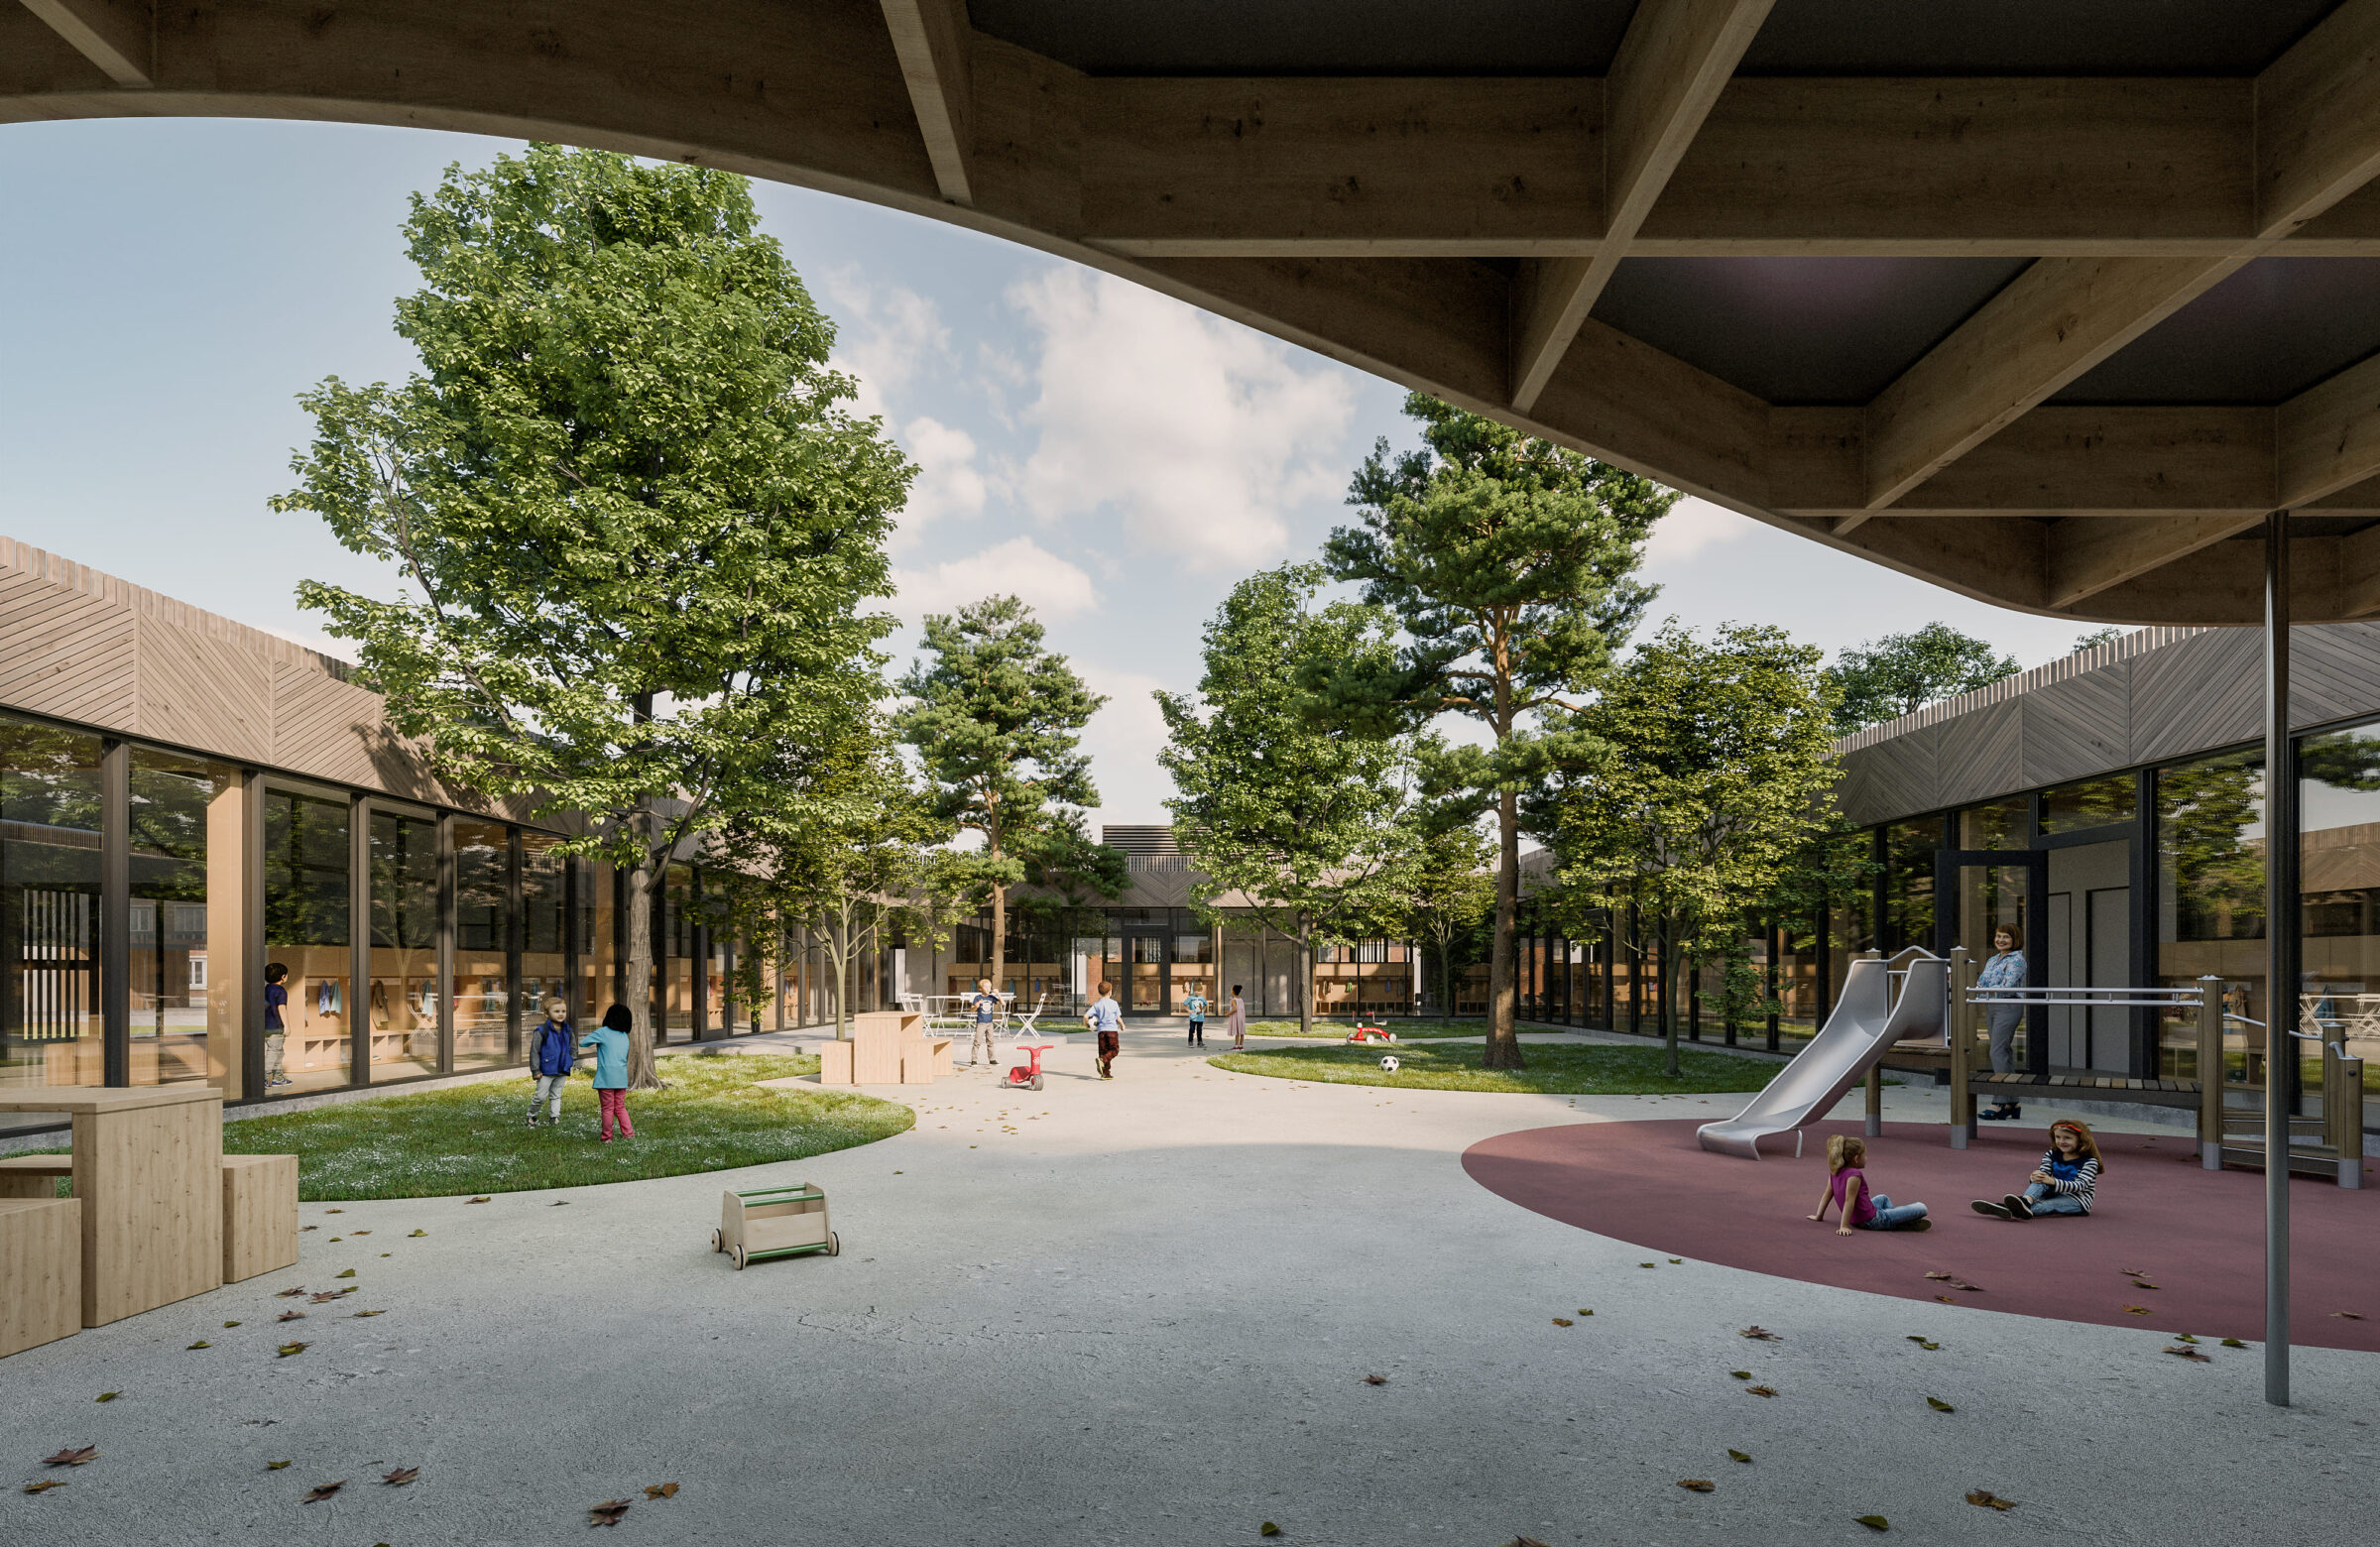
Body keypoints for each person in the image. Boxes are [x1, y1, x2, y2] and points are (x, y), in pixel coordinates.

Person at [1971, 1119, 2102, 1220]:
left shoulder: (2090, 1162)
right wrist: (2035, 1177)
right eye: (2058, 1137)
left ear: (2081, 1140)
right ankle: (2026, 1201)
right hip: (2056, 1191)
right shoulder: (2051, 1154)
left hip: (2077, 1200)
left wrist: (2052, 1181)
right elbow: (2044, 1173)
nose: (2061, 1141)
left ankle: (2008, 1209)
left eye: (2067, 1138)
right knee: (2040, 1178)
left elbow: (2080, 1186)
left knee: (2048, 1205)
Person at [1808, 1133, 1931, 1234]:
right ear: (1856, 1159)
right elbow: (1849, 1201)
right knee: (1921, 1208)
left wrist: (1819, 1215)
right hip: (1871, 1220)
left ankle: (1895, 1220)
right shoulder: (1854, 1175)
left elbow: (1827, 1194)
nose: (1866, 1158)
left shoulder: (1835, 1171)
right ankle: (1894, 1223)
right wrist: (1844, 1226)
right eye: (1865, 1155)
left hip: (1858, 1216)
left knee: (1883, 1198)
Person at [1975, 924, 2027, 1121]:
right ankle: (2013, 1102)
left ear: (2015, 940)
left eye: (2006, 937)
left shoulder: (2017, 960)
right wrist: (1982, 990)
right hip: (1992, 1006)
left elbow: (2007, 985)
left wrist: (1985, 990)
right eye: (1998, 936)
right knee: (2003, 1051)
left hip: (2008, 1005)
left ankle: (1999, 1101)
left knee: (1996, 1051)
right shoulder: (1992, 959)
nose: (2001, 940)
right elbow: (1980, 983)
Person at [580, 1004, 636, 1141]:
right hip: (621, 1079)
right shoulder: (624, 1036)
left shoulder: (603, 1032)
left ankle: (607, 1137)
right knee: (620, 1107)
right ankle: (628, 1134)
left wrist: (596, 1039)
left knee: (607, 1109)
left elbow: (583, 1043)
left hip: (606, 1079)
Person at [525, 998, 575, 1128]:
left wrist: (570, 1060)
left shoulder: (568, 1030)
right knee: (540, 1096)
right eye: (556, 1011)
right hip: (545, 1071)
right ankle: (531, 1115)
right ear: (547, 1013)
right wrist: (535, 1070)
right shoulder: (541, 1031)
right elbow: (534, 1051)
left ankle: (554, 1117)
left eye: (563, 1011)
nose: (561, 1014)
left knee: (556, 1094)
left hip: (562, 1069)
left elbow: (573, 1047)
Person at [1085, 980, 1123, 1078]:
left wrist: (1086, 1025)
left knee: (1103, 1052)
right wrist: (1122, 1025)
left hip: (1101, 1032)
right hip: (1112, 1031)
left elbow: (1085, 1016)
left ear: (1099, 992)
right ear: (1110, 992)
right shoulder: (1114, 1003)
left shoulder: (1097, 1004)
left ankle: (1105, 1074)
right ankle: (1103, 1060)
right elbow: (1118, 1017)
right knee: (1114, 1050)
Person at [263, 962, 292, 1089]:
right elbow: (282, 1008)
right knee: (274, 1052)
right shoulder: (280, 991)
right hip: (275, 1026)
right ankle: (264, 1077)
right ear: (283, 976)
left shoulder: (266, 989)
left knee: (278, 1052)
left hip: (265, 1026)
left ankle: (278, 1078)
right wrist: (287, 1026)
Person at [967, 977, 1003, 1067]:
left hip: (989, 1023)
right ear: (980, 988)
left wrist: (998, 993)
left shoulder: (991, 997)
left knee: (990, 1042)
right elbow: (971, 1010)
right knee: (977, 1042)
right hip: (981, 1023)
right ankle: (974, 1060)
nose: (988, 988)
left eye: (989, 987)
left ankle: (992, 1059)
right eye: (986, 987)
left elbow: (1003, 1003)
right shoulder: (977, 997)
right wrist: (976, 1006)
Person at [1224, 984, 1248, 1051]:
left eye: (1231, 989)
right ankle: (1241, 1046)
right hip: (1241, 1017)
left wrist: (1228, 1014)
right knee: (1241, 1031)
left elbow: (1234, 1009)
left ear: (1233, 991)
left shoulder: (1233, 1000)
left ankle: (1236, 1046)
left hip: (1236, 1017)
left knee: (1237, 1031)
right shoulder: (1241, 999)